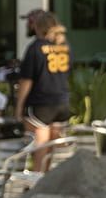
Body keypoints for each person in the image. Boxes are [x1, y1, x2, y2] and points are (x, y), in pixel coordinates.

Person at [14, 10, 72, 171]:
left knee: (39, 151)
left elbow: (26, 81)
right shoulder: (65, 46)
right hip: (62, 102)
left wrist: (19, 108)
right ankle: (45, 184)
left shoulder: (35, 48)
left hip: (41, 104)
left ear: (39, 28)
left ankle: (36, 186)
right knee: (49, 152)